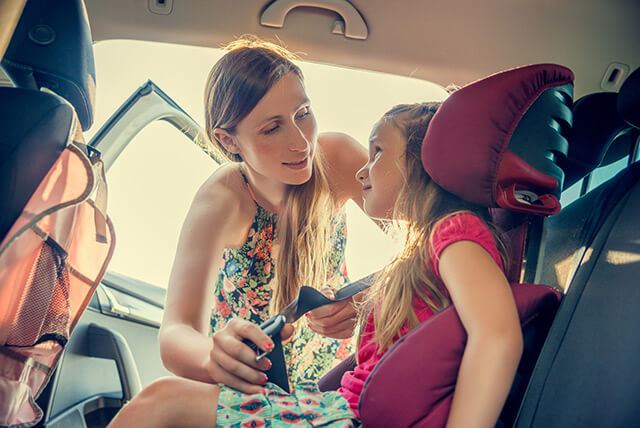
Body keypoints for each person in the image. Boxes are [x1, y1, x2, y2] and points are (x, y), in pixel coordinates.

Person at [108, 101, 524, 428]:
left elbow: (497, 337)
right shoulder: (429, 248)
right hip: (337, 405)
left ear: (421, 164)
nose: (362, 168)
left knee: (160, 404)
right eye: (272, 127)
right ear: (229, 140)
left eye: (378, 152)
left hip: (347, 415)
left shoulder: (454, 231)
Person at [158, 36, 368, 394]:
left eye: (303, 114)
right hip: (253, 386)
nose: (302, 143)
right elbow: (175, 333)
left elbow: (426, 241)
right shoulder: (222, 200)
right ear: (229, 141)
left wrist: (369, 301)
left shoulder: (339, 158)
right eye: (272, 128)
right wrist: (215, 356)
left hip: (334, 378)